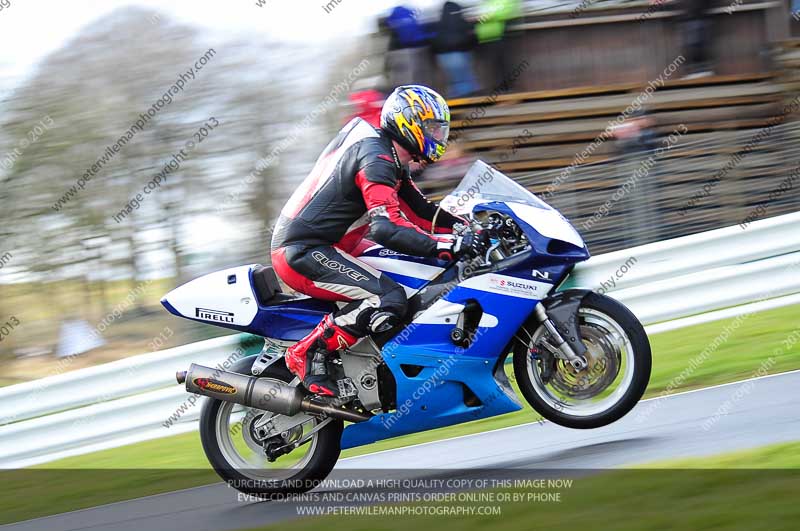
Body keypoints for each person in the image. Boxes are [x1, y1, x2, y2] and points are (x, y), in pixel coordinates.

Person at [271, 85, 486, 397]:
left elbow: (422, 212)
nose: (440, 137)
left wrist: (470, 227)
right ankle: (307, 353)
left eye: (442, 129)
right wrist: (445, 246)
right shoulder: (376, 157)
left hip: (334, 244)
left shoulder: (388, 154)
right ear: (409, 123)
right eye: (433, 129)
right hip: (303, 251)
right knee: (388, 298)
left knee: (417, 274)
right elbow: (385, 227)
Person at [432, 2, 479, 98]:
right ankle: (467, 100)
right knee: (464, 78)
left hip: (442, 55)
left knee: (453, 80)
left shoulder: (440, 23)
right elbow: (472, 36)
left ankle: (455, 100)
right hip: (460, 52)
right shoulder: (461, 22)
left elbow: (434, 39)